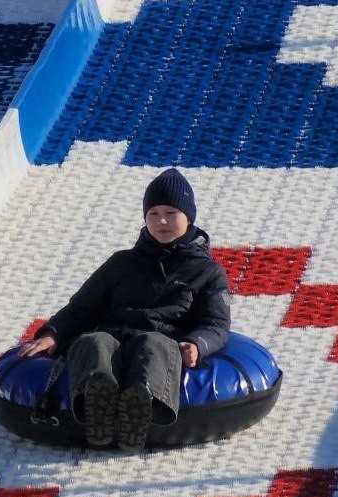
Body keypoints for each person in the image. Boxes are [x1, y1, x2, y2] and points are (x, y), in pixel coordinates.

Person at [18, 168, 231, 452]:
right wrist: (53, 334)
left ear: (189, 217)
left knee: (152, 344)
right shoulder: (121, 263)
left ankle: (141, 407)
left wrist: (196, 344)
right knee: (92, 341)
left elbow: (216, 323)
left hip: (163, 341)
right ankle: (98, 406)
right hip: (114, 337)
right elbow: (83, 307)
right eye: (153, 213)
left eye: (171, 212)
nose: (162, 221)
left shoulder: (207, 272)